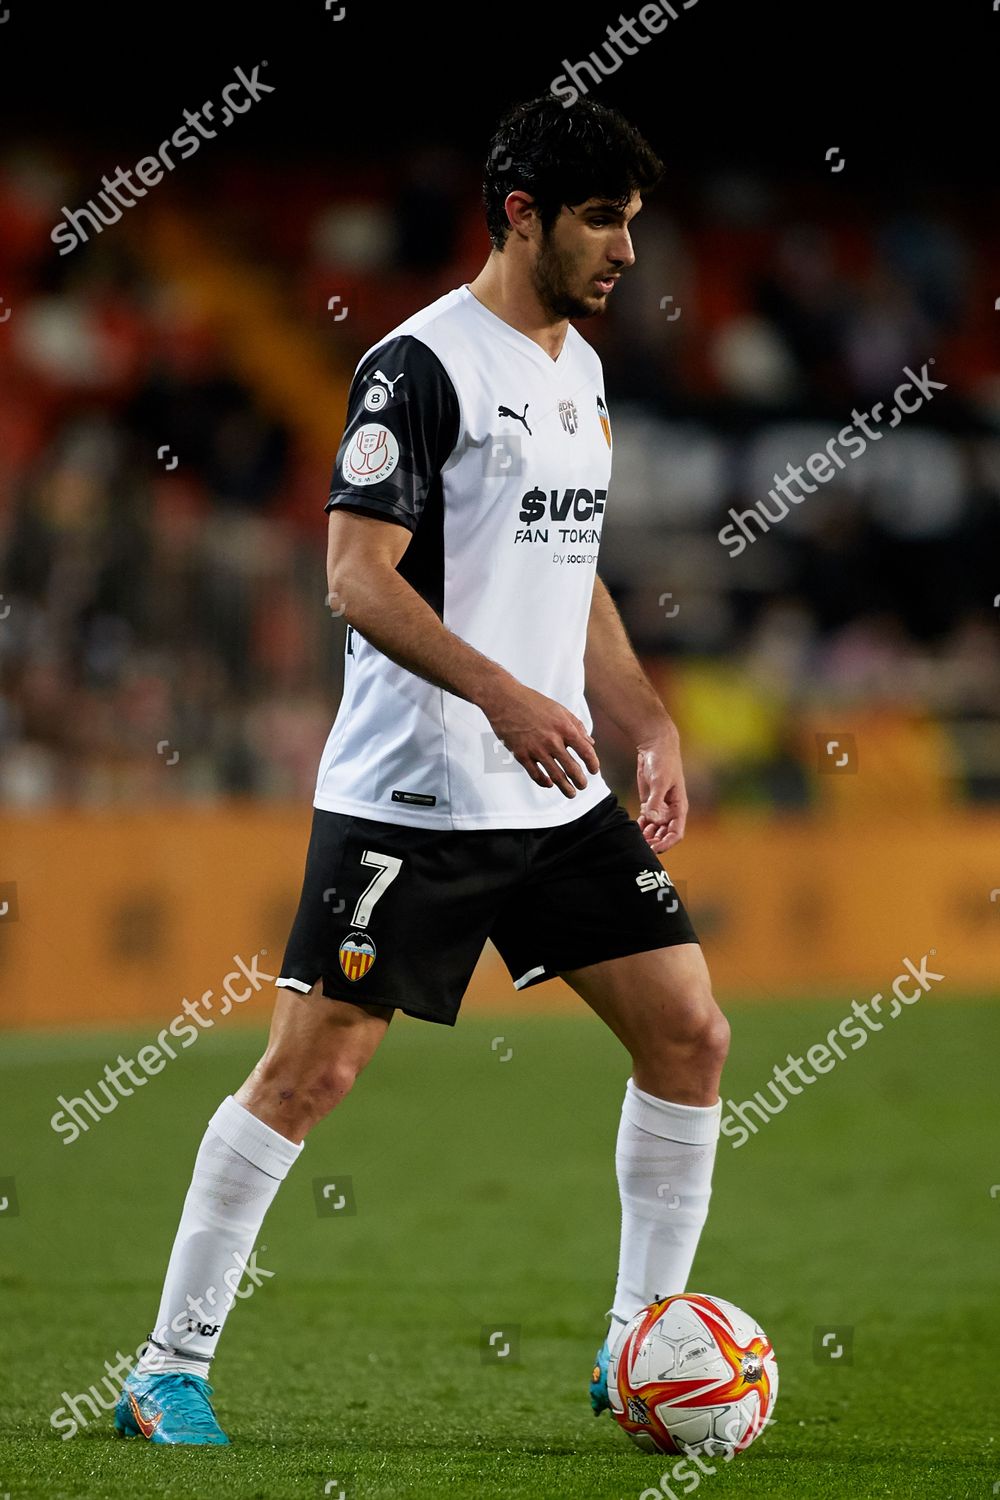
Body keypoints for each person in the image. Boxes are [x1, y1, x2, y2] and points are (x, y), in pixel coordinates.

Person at [115, 92, 730, 1446]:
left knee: (690, 1038)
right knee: (307, 1078)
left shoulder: (582, 370)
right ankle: (166, 1369)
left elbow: (571, 582)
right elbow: (354, 579)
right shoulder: (417, 367)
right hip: (420, 794)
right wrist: (504, 696)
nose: (629, 250)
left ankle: (639, 1340)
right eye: (602, 221)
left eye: (634, 221)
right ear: (521, 216)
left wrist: (649, 723)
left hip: (558, 790)